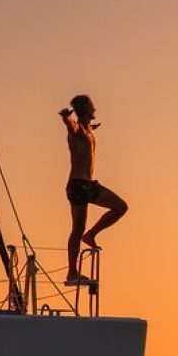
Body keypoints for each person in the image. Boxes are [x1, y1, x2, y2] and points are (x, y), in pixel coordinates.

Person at [59, 94, 128, 286]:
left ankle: (90, 235)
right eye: (92, 106)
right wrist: (66, 119)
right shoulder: (77, 129)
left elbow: (85, 129)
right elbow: (71, 126)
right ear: (86, 110)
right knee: (77, 229)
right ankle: (72, 272)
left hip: (87, 185)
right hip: (79, 185)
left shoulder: (88, 129)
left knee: (121, 207)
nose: (95, 108)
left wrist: (91, 127)